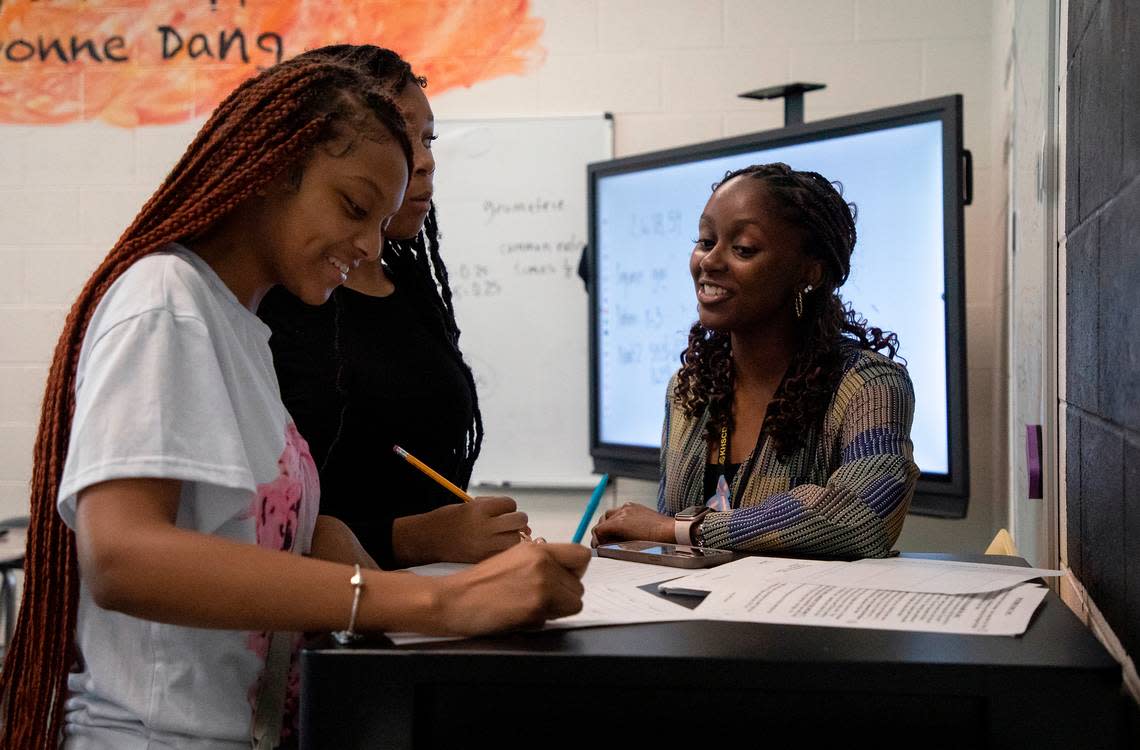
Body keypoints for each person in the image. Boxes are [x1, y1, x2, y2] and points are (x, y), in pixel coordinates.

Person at [0, 57, 589, 750]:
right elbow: (124, 557)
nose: (370, 243)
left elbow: (228, 523)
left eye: (380, 219)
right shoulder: (166, 301)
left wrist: (324, 536)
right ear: (270, 173)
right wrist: (442, 601)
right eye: (352, 207)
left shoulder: (240, 327)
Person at [258, 45, 525, 569]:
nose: (424, 161)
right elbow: (277, 523)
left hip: (414, 603)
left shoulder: (410, 283)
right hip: (334, 609)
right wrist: (415, 539)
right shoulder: (274, 300)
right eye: (405, 136)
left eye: (429, 140)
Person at [592, 163, 918, 559]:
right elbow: (670, 549)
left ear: (808, 272)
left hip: (806, 618)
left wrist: (679, 529)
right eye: (705, 240)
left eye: (743, 248)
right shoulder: (689, 389)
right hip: (693, 617)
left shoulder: (868, 387)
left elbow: (862, 518)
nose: (709, 261)